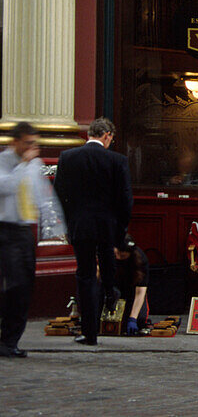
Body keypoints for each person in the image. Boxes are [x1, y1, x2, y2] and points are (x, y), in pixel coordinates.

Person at [55, 117, 133, 347]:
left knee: (86, 275)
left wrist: (69, 223)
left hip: (81, 225)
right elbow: (125, 200)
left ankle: (90, 333)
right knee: (107, 258)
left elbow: (59, 193)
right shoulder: (117, 161)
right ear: (107, 135)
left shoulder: (68, 158)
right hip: (107, 225)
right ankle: (110, 291)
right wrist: (120, 230)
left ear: (89, 133)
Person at [0, 122, 55, 357]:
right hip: (4, 229)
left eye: (35, 143)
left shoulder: (34, 165)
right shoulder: (4, 162)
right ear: (15, 142)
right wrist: (23, 165)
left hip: (24, 232)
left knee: (23, 287)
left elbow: (42, 195)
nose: (34, 148)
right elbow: (6, 187)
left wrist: (53, 225)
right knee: (8, 285)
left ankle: (10, 341)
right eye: (29, 143)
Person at [114, 235, 150, 335]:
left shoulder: (141, 259)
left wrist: (132, 318)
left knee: (140, 319)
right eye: (117, 254)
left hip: (131, 291)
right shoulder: (107, 253)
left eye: (123, 256)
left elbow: (140, 292)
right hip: (111, 289)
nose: (119, 258)